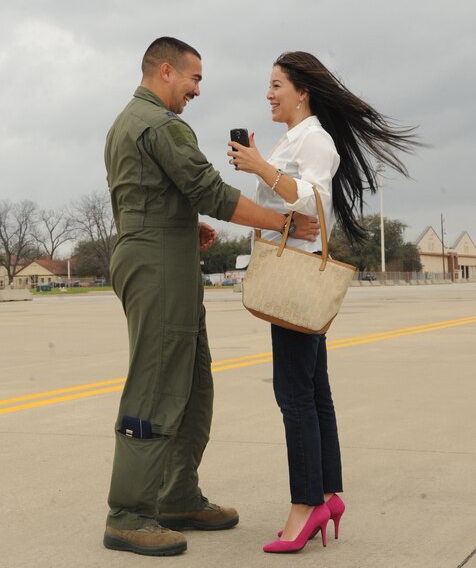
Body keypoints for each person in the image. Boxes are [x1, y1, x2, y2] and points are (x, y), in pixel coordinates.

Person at [103, 37, 319, 557]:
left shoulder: (129, 122)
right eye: (193, 78)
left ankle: (177, 494)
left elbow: (152, 194)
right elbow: (210, 190)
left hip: (163, 254)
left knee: (193, 382)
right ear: (165, 71)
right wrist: (284, 222)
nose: (198, 89)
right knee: (157, 382)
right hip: (156, 264)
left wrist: (184, 225)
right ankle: (129, 511)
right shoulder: (162, 123)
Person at [228, 50, 419, 554]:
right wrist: (263, 166)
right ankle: (327, 494)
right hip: (291, 276)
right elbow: (289, 203)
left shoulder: (314, 139)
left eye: (276, 85)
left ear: (302, 91)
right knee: (314, 392)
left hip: (295, 281)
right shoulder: (294, 139)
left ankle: (306, 503)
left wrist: (261, 167)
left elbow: (312, 200)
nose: (268, 94)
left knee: (295, 395)